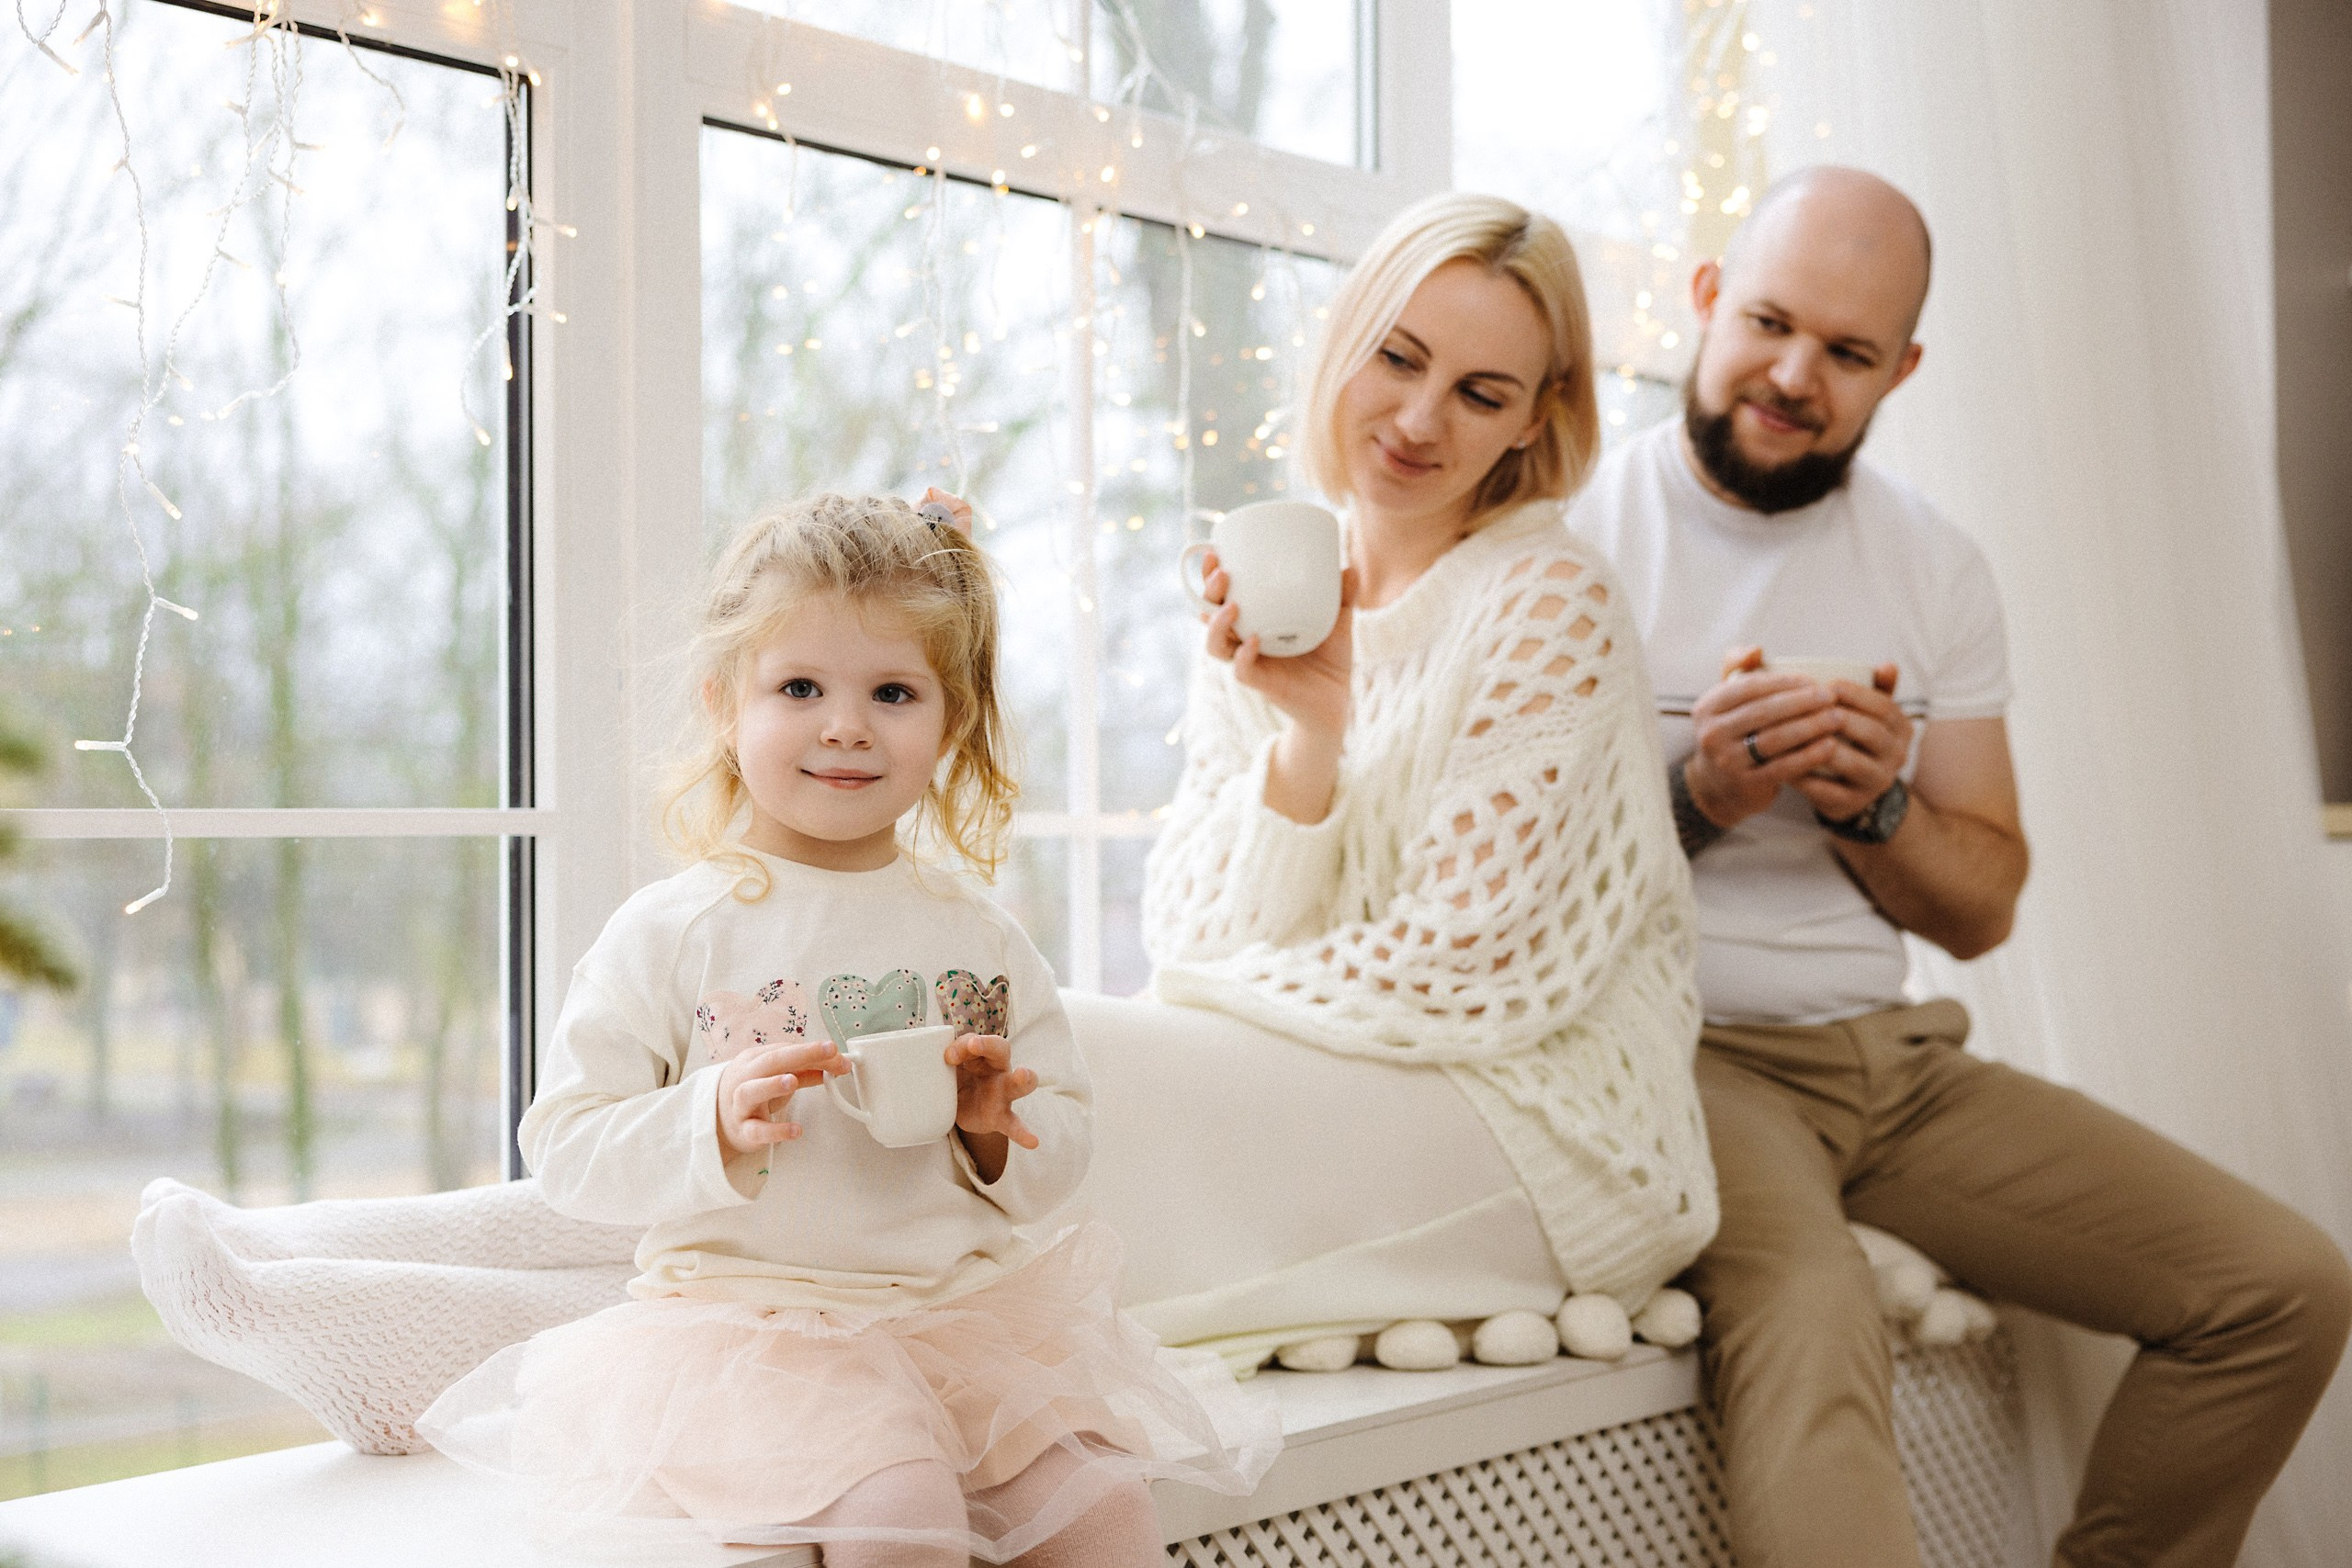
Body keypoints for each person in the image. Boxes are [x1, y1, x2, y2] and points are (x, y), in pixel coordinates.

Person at [1566, 165, 2352, 1568]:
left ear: (1901, 370)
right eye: (1769, 321)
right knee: (1813, 1315)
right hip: (1684, 1051)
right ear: (1703, 301)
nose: (1795, 373)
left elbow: (1983, 905)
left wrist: (1876, 807)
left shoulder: (1935, 567)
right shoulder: (1574, 542)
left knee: (2281, 1285)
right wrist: (1704, 794)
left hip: (1896, 1061)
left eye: (1849, 352)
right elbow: (1505, 890)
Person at [419, 491, 1274, 1566]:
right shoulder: (673, 928)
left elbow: (1062, 1156)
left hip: (964, 1322)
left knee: (1110, 1509)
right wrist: (712, 1119)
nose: (845, 725)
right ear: (724, 701)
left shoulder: (979, 935)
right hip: (756, 1334)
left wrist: (990, 1129)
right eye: (800, 687)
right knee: (900, 1519)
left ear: (950, 720)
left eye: (893, 692)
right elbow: (568, 1151)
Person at [1137, 190, 1718, 1361]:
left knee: (1113, 1069)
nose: (1416, 418)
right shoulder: (1269, 594)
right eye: (1396, 360)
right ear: (1344, 344)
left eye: (1480, 393)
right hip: (1340, 1079)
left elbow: (1458, 967)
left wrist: (1200, 1012)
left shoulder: (1548, 601)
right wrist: (1309, 740)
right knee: (1081, 1092)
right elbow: (1190, 936)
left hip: (1552, 1127)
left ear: (1532, 421)